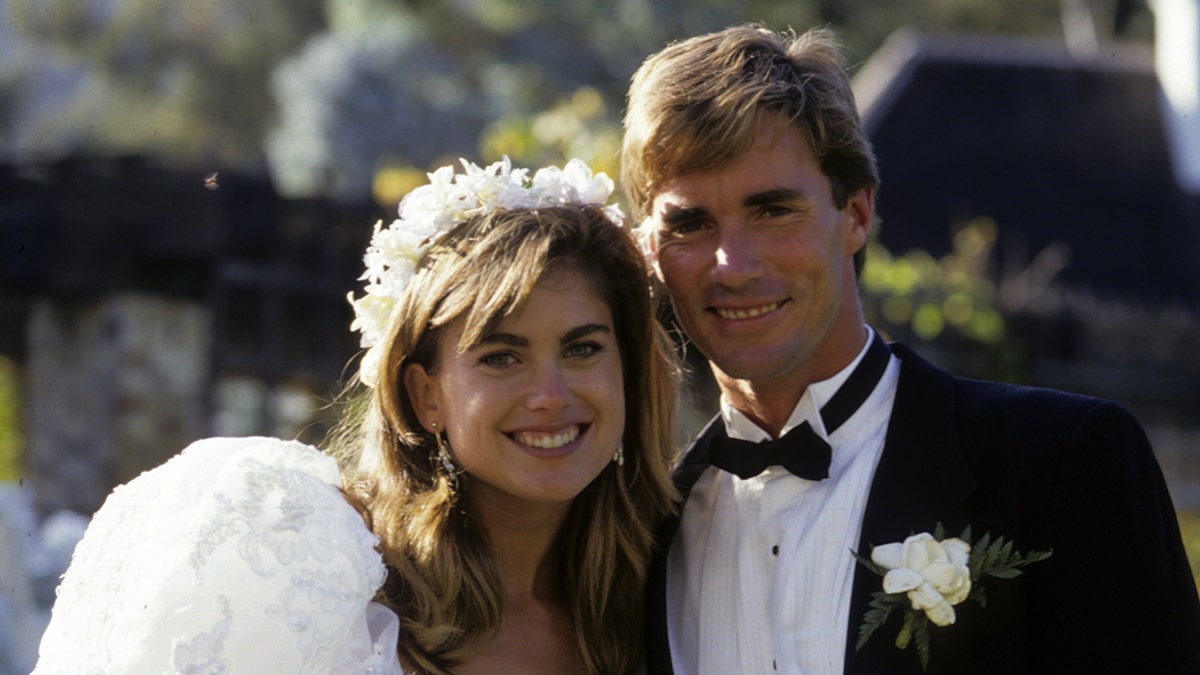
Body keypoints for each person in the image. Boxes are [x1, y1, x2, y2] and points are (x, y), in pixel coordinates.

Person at [621, 24, 1200, 674]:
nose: (733, 265)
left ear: (858, 215)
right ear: (648, 248)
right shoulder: (634, 538)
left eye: (773, 211)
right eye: (690, 223)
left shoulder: (1064, 466)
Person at [33, 157, 679, 674]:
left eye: (583, 347)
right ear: (426, 395)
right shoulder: (306, 578)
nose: (550, 392)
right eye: (502, 356)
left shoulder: (667, 593)